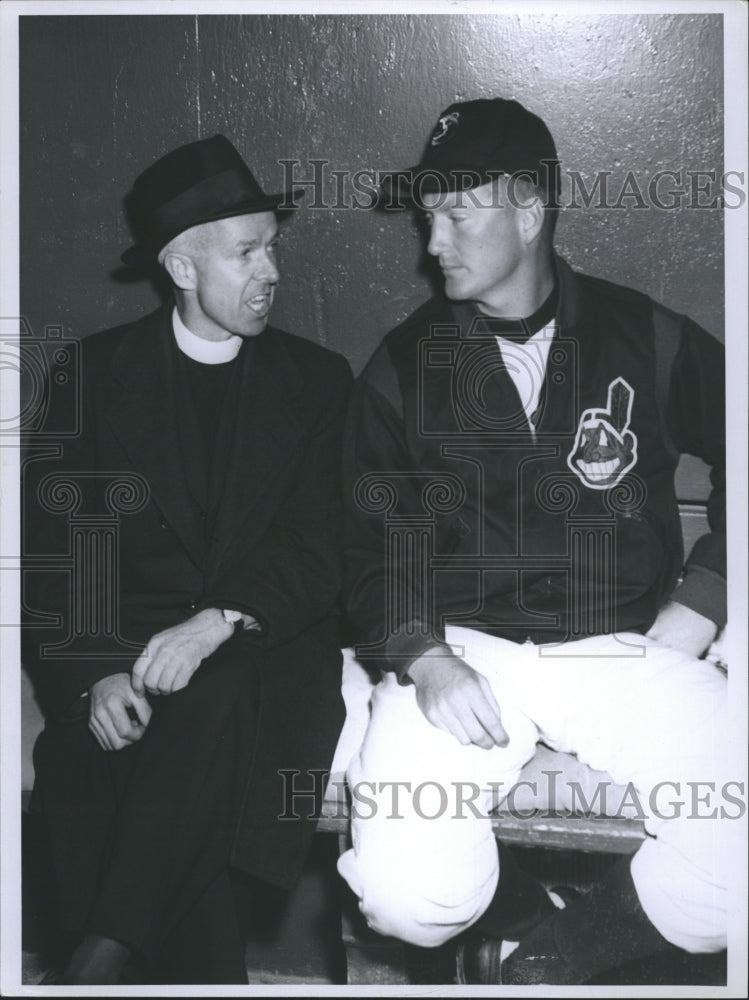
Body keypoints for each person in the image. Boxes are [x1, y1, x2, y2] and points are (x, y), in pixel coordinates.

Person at [339, 98, 731, 984]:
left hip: (623, 641)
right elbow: (369, 541)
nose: (431, 240)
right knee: (405, 898)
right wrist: (422, 653)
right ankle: (514, 912)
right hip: (465, 655)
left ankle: (553, 957)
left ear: (528, 209)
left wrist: (703, 598)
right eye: (425, 215)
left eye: (455, 213)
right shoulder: (402, 362)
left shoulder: (649, 335)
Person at [22, 134, 352, 985]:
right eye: (246, 250)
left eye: (271, 245)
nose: (270, 269)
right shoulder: (90, 375)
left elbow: (325, 546)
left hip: (265, 650)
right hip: (123, 656)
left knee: (215, 701)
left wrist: (217, 619)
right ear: (179, 266)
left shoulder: (318, 381)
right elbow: (60, 553)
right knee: (93, 759)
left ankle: (97, 960)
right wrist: (94, 673)